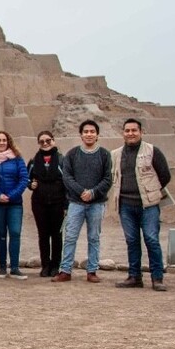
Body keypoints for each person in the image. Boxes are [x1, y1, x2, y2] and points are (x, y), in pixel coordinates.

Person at [113, 119, 171, 291]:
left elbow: (165, 175)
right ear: (123, 132)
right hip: (125, 204)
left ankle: (157, 278)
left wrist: (151, 191)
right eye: (127, 130)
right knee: (131, 241)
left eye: (134, 130)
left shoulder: (152, 151)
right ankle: (134, 276)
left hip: (149, 205)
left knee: (151, 239)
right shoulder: (115, 154)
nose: (131, 133)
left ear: (141, 132)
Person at [53, 120, 112, 284]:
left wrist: (92, 193)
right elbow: (67, 177)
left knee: (94, 237)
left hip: (97, 203)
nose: (89, 134)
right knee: (70, 237)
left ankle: (92, 271)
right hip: (76, 203)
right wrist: (81, 192)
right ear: (81, 135)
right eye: (86, 131)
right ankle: (65, 270)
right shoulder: (72, 154)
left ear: (97, 135)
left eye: (92, 131)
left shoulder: (104, 155)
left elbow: (108, 178)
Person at [0, 131, 29, 279]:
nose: (1, 142)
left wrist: (11, 196)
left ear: (8, 141)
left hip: (15, 203)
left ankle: (15, 267)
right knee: (1, 235)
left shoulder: (17, 158)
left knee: (15, 233)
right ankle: (2, 267)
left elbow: (24, 179)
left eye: (4, 140)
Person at [27, 131, 67, 277]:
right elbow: (26, 179)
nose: (45, 144)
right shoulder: (33, 161)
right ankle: (45, 265)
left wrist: (66, 205)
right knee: (43, 235)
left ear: (53, 141)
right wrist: (31, 185)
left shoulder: (62, 160)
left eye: (48, 140)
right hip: (39, 203)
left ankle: (56, 265)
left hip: (58, 202)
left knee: (57, 235)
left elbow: (67, 181)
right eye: (42, 141)